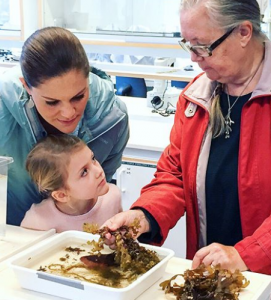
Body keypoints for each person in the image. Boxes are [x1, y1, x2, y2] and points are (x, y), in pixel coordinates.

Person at [103, 0, 271, 275]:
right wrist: (143, 216)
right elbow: (175, 175)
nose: (193, 57)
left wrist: (247, 255)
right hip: (212, 273)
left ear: (244, 32)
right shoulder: (197, 98)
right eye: (188, 44)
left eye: (202, 46)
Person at [0, 27, 129, 226]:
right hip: (6, 240)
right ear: (26, 86)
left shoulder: (113, 119)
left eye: (78, 97)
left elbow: (98, 192)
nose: (68, 113)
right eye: (52, 102)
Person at [21, 135, 122, 232]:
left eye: (93, 159)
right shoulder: (36, 221)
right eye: (84, 172)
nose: (98, 171)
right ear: (62, 195)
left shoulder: (112, 198)